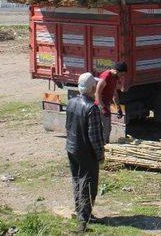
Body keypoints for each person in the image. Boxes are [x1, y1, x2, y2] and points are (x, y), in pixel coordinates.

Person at [65, 72, 105, 232]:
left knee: (77, 180)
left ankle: (81, 211)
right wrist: (100, 155)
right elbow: (94, 137)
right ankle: (83, 220)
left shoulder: (71, 102)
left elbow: (68, 126)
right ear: (92, 88)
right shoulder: (91, 108)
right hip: (85, 151)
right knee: (88, 184)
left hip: (71, 147)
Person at [95, 62, 127, 144]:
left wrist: (118, 108)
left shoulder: (114, 77)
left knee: (107, 127)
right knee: (103, 127)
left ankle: (106, 144)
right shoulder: (106, 76)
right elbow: (97, 93)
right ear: (117, 71)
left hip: (106, 105)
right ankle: (102, 145)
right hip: (100, 105)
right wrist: (103, 108)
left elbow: (114, 93)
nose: (122, 76)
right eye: (122, 74)